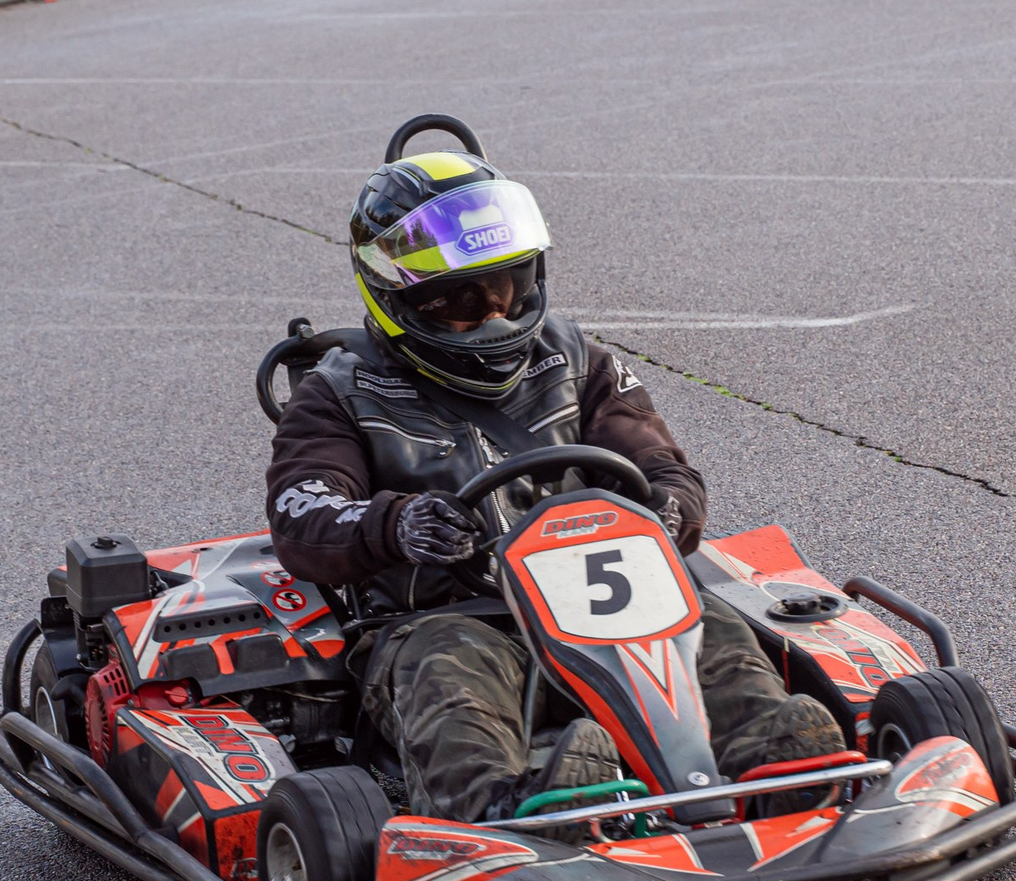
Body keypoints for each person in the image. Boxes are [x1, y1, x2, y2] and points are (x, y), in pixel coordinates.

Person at [264, 145, 845, 826]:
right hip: (453, 617)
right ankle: (508, 811)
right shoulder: (341, 393)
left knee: (708, 622)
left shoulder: (577, 360)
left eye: (506, 287)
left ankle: (774, 764)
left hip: (606, 606)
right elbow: (301, 511)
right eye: (459, 301)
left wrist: (666, 508)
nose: (493, 317)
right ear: (400, 298)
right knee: (450, 670)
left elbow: (664, 468)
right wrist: (395, 523)